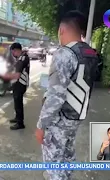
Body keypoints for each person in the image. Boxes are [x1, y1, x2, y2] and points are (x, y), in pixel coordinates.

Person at [35, 11, 99, 180]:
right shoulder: (90, 53)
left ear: (62, 30)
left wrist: (41, 125)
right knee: (68, 153)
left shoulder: (64, 54)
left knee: (54, 163)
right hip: (77, 115)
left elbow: (55, 96)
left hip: (60, 119)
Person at [0, 42, 30, 130]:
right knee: (16, 102)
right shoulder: (21, 57)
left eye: (13, 52)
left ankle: (20, 123)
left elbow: (17, 75)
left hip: (21, 84)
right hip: (18, 84)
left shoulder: (23, 58)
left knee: (18, 103)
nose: (12, 54)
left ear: (16, 50)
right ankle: (17, 118)